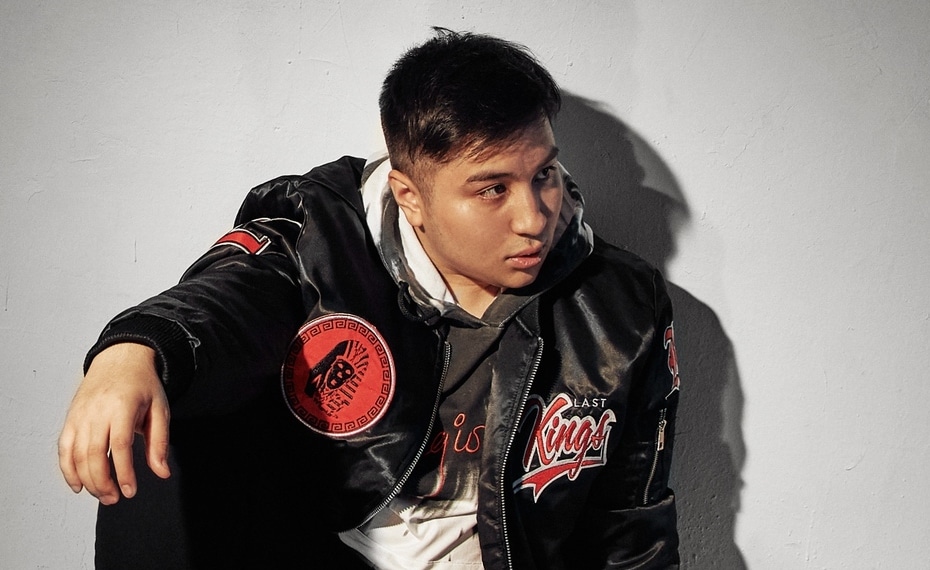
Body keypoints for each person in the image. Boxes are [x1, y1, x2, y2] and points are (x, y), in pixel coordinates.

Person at [59, 29, 682, 569]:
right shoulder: (322, 236)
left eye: (544, 174)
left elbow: (632, 522)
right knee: (161, 434)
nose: (534, 217)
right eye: (492, 190)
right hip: (324, 552)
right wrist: (133, 352)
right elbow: (228, 295)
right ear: (409, 195)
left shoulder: (621, 307)